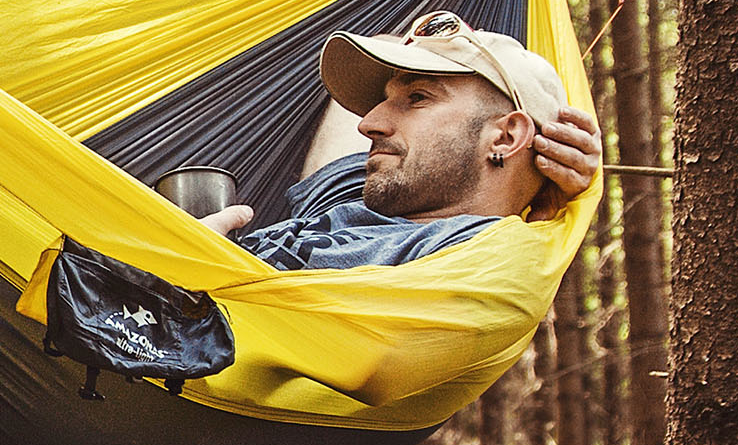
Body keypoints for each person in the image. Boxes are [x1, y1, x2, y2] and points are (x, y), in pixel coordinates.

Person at [204, 14, 602, 270]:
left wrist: (182, 265)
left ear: (506, 135)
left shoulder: (459, 258)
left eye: (418, 98)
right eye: (383, 100)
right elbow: (380, 39)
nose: (369, 124)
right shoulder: (356, 198)